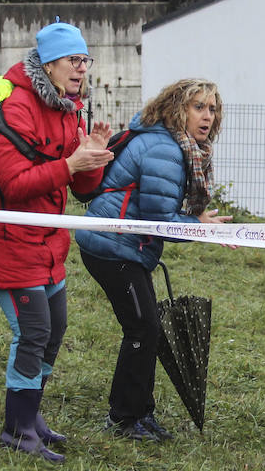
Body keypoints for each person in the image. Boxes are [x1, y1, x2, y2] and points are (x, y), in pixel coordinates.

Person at [0, 18, 114, 464]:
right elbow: (14, 185)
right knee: (32, 333)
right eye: (73, 59)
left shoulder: (70, 109)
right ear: (48, 64)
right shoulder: (16, 108)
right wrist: (71, 164)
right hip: (5, 240)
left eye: (85, 59)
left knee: (55, 330)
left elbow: (83, 193)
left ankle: (33, 419)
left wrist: (93, 159)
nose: (81, 68)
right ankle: (17, 428)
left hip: (47, 244)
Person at [75, 79, 232, 441]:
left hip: (127, 245)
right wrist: (199, 225)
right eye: (198, 107)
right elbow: (158, 219)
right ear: (178, 109)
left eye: (212, 109)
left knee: (148, 328)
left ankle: (141, 414)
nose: (207, 116)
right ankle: (123, 419)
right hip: (111, 244)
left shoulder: (171, 143)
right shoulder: (165, 149)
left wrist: (200, 226)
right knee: (142, 328)